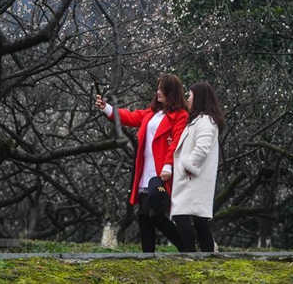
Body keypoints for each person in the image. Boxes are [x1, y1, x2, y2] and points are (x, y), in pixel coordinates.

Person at [95, 74, 188, 252]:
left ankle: (186, 248)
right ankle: (148, 256)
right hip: (146, 171)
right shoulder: (152, 113)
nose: (158, 92)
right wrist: (106, 108)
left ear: (171, 91)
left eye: (162, 88)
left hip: (162, 171)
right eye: (158, 88)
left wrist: (168, 165)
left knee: (156, 215)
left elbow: (176, 143)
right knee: (144, 215)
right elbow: (129, 117)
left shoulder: (180, 115)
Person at [171, 81, 224, 252]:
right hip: (195, 179)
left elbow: (202, 148)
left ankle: (189, 255)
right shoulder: (201, 120)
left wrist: (188, 165)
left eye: (190, 95)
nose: (187, 99)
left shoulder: (205, 121)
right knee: (200, 221)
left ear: (199, 98)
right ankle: (205, 256)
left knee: (181, 214)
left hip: (194, 177)